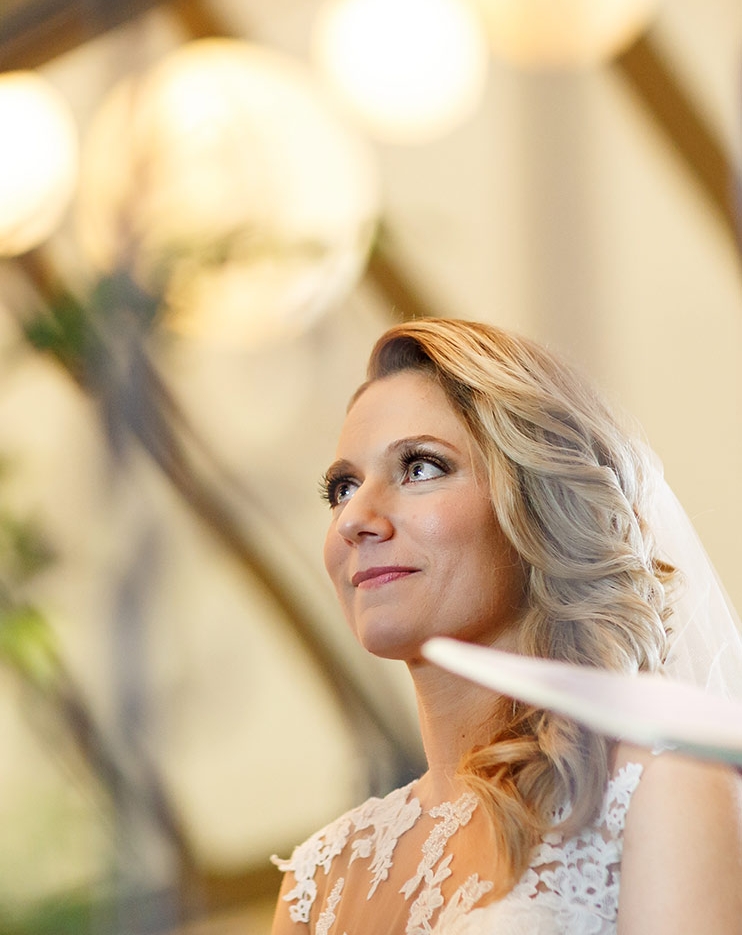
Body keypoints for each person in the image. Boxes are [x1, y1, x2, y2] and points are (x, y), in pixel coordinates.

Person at [270, 318, 742, 935]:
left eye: (420, 468)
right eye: (342, 487)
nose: (355, 518)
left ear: (536, 507)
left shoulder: (655, 784)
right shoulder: (318, 883)